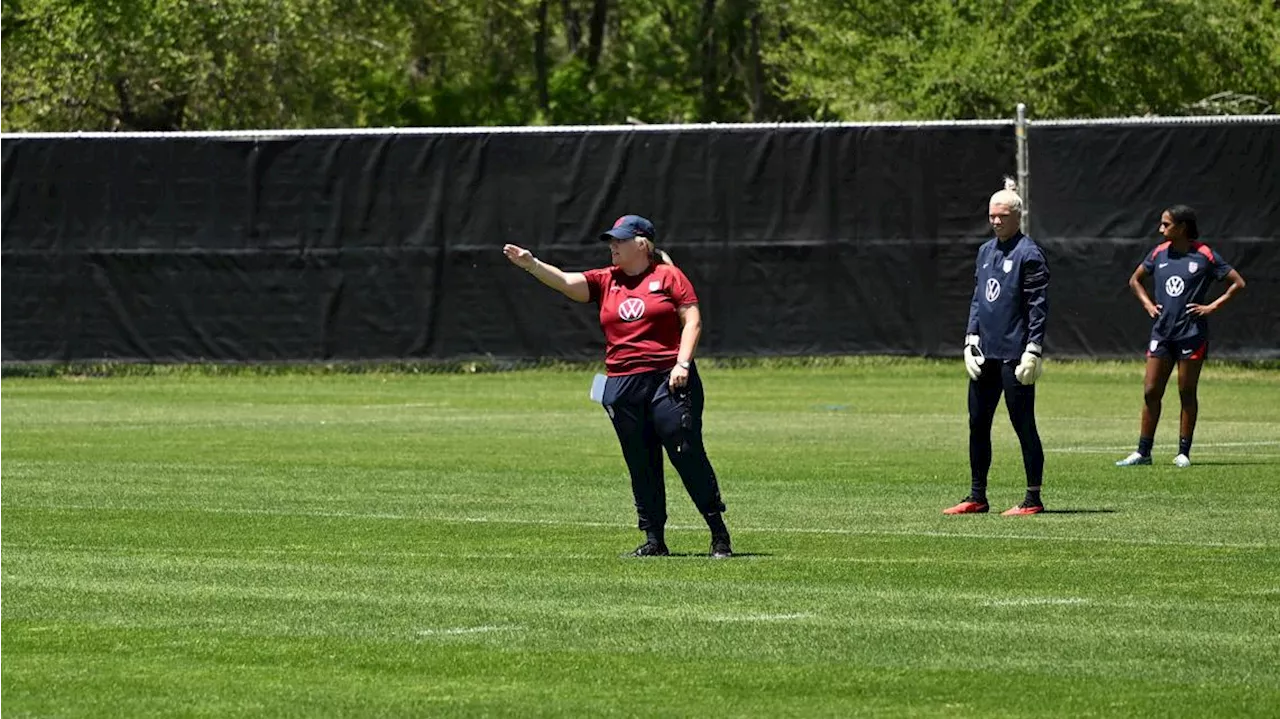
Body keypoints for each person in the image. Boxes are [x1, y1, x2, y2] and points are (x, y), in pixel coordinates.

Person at [502, 215, 732, 558]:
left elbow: (692, 320)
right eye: (611, 240)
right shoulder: (606, 280)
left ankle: (718, 534)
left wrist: (682, 363)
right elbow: (567, 281)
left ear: (642, 244)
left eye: (619, 241)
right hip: (623, 382)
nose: (613, 246)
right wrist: (531, 265)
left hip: (667, 377)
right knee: (640, 460)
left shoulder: (668, 276)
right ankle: (655, 540)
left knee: (684, 449)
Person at [945, 179, 1050, 517]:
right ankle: (977, 496)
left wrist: (1033, 348)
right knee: (977, 422)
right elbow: (979, 298)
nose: (994, 221)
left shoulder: (1029, 254)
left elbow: (1038, 305)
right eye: (991, 216)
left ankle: (1033, 499)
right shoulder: (985, 252)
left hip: (1014, 354)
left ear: (1016, 216)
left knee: (1023, 425)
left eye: (1001, 216)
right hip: (986, 352)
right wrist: (970, 337)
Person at [1115, 205, 1246, 468]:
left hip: (1191, 334)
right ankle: (1143, 452)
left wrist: (1211, 307)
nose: (1160, 229)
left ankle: (1183, 452)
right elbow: (1134, 280)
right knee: (1151, 390)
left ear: (1182, 227)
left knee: (1186, 392)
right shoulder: (1158, 253)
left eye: (1166, 224)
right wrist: (1148, 305)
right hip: (1162, 333)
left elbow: (1237, 283)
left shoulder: (1205, 255)